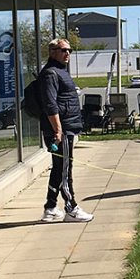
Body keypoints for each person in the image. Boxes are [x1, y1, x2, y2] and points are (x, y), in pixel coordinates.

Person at [38, 38, 93, 222]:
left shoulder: (61, 71)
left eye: (69, 50)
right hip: (60, 132)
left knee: (58, 169)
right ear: (53, 52)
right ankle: (71, 208)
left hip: (67, 128)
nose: (67, 53)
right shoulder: (50, 74)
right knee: (65, 171)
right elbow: (50, 104)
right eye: (63, 50)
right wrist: (58, 130)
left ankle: (50, 208)